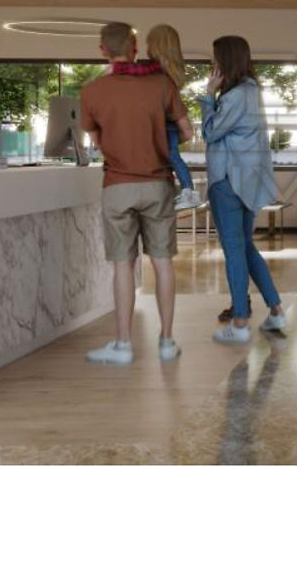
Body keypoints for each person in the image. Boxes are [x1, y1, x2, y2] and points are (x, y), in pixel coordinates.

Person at [79, 21, 193, 365]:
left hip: (117, 186)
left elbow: (96, 142)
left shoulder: (92, 91)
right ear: (135, 49)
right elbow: (187, 132)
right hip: (158, 185)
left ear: (102, 50)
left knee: (123, 266)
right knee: (163, 262)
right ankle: (167, 341)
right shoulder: (162, 84)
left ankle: (123, 344)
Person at [202, 34, 287, 341]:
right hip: (249, 182)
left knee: (235, 251)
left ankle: (239, 323)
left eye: (215, 58)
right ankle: (276, 311)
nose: (212, 64)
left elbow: (210, 132)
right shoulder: (253, 92)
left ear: (225, 61)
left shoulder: (234, 97)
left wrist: (208, 96)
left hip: (228, 181)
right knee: (246, 248)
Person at [146, 24, 202, 211]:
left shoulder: (155, 74)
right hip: (169, 124)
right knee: (173, 157)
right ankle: (188, 190)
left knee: (173, 157)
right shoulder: (170, 73)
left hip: (164, 125)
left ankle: (189, 191)